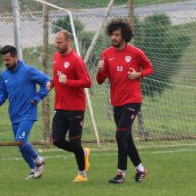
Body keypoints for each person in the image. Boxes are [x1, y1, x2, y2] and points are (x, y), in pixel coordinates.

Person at [96, 19, 153, 184]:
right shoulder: (106, 54)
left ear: (124, 36)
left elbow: (150, 68)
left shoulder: (135, 53)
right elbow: (100, 80)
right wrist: (100, 69)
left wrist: (138, 74)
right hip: (116, 102)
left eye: (116, 34)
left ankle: (121, 173)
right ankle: (141, 169)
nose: (113, 37)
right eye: (112, 34)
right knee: (126, 137)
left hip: (133, 100)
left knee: (120, 134)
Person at [0, 45, 51, 179]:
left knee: (20, 140)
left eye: (8, 59)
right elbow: (2, 92)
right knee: (21, 145)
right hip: (14, 115)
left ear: (15, 57)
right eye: (4, 60)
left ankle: (38, 159)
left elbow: (48, 82)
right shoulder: (4, 75)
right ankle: (33, 170)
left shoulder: (28, 71)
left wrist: (37, 97)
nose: (6, 63)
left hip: (28, 113)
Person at [49, 30, 92, 182]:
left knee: (74, 142)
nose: (57, 45)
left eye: (60, 42)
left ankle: (82, 174)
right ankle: (83, 153)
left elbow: (87, 82)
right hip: (60, 107)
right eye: (56, 42)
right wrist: (52, 83)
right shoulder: (55, 57)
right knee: (57, 140)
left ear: (68, 42)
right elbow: (57, 75)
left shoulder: (76, 60)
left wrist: (69, 82)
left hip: (75, 108)